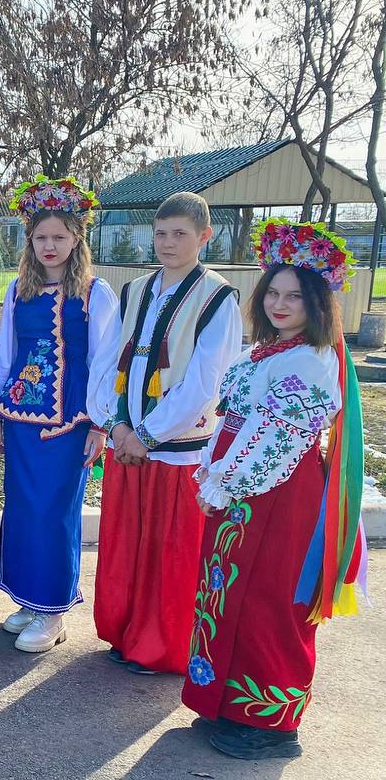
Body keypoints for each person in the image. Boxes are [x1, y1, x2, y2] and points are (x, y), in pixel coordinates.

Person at [182, 219, 365, 760]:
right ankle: (227, 702)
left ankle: (273, 724)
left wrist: (224, 482)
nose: (280, 304)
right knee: (229, 592)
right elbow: (233, 423)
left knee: (270, 601)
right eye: (273, 293)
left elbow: (276, 437)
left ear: (317, 303)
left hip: (278, 496)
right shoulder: (267, 351)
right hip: (242, 494)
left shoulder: (310, 359)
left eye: (295, 296)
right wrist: (214, 473)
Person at [91, 191, 243, 675]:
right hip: (126, 439)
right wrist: (113, 422)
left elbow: (205, 380)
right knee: (128, 545)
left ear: (205, 236)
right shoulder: (137, 290)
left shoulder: (217, 296)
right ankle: (125, 631)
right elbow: (110, 358)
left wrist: (149, 434)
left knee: (169, 553)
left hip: (176, 449)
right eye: (160, 233)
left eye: (180, 234)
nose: (168, 243)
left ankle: (161, 646)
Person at [0, 177, 118, 652]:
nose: (49, 245)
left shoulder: (96, 293)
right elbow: (6, 354)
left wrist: (101, 424)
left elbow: (106, 362)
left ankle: (55, 610)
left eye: (59, 236)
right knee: (22, 509)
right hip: (20, 419)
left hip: (71, 424)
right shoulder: (20, 292)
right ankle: (29, 599)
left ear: (76, 238)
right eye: (41, 237)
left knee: (55, 511)